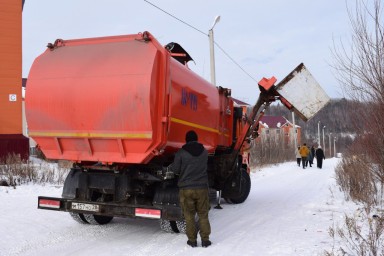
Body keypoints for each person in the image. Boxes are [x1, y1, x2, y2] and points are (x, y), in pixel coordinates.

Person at [170, 130, 212, 248]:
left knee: (189, 216)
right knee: (203, 214)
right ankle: (205, 240)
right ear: (197, 139)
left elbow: (175, 170)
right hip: (202, 188)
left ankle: (192, 241)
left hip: (186, 189)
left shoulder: (181, 153)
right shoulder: (204, 152)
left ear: (186, 140)